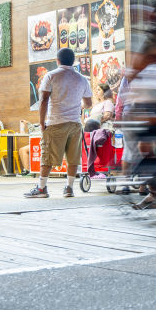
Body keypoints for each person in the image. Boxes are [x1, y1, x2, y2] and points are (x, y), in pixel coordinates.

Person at [25, 48, 92, 198]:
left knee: (48, 156)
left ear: (57, 60)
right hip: (75, 124)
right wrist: (77, 105)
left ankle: (42, 189)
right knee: (73, 157)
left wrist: (41, 122)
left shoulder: (51, 76)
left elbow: (43, 101)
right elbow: (88, 104)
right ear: (73, 61)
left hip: (56, 122)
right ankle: (69, 188)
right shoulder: (82, 79)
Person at [116, 34, 156, 195]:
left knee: (134, 150)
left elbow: (121, 96)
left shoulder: (137, 66)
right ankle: (143, 187)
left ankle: (134, 185)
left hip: (135, 114)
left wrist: (118, 115)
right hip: (144, 114)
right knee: (145, 150)